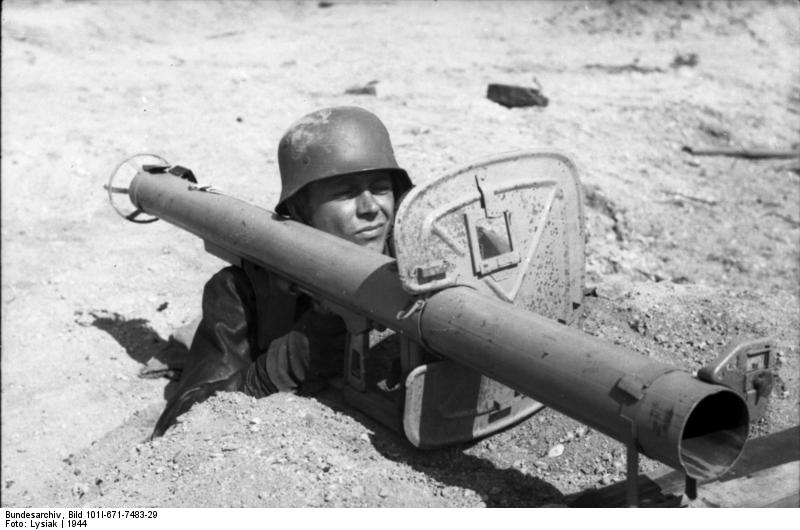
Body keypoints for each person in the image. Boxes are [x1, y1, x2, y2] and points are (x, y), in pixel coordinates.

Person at [151, 106, 412, 438]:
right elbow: (179, 425)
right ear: (301, 211)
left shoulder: (419, 260)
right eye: (345, 194)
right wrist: (278, 369)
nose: (371, 208)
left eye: (379, 187)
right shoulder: (246, 291)